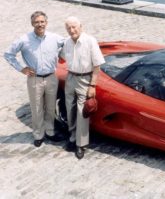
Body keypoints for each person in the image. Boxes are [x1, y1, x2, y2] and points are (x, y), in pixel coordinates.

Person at [4, 11, 65, 147]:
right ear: (32, 23)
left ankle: (50, 132)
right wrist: (21, 68)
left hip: (51, 77)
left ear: (46, 23)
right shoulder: (24, 39)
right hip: (34, 79)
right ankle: (38, 134)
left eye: (42, 21)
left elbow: (68, 44)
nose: (40, 24)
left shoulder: (55, 38)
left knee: (50, 107)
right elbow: (8, 54)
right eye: (37, 22)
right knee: (36, 108)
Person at [61, 16, 105, 159]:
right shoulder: (66, 42)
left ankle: (81, 144)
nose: (71, 30)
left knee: (82, 113)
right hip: (71, 77)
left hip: (85, 79)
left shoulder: (90, 41)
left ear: (81, 26)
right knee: (70, 110)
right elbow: (61, 57)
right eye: (69, 28)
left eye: (74, 27)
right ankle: (73, 138)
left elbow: (97, 65)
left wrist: (92, 85)